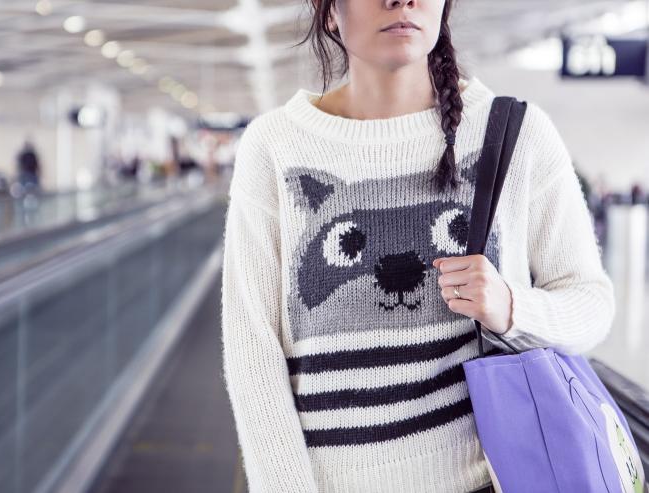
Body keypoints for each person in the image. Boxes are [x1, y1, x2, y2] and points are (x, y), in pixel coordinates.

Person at [220, 0, 616, 492]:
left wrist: (512, 307)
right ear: (329, 13)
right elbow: (251, 349)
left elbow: (591, 304)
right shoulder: (276, 146)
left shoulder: (515, 134)